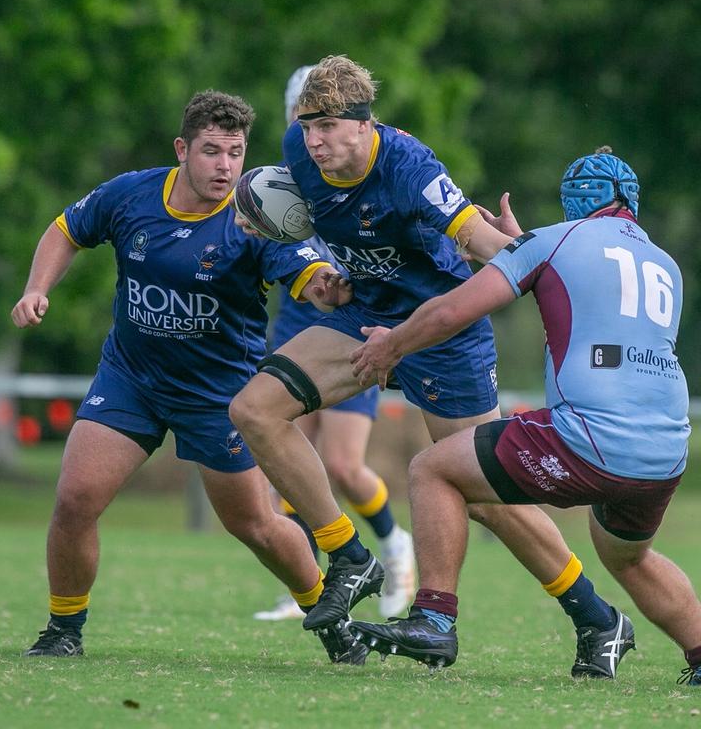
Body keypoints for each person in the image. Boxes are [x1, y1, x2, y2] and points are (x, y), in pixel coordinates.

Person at [230, 57, 607, 661]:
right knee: (255, 409)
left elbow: (482, 243)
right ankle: (350, 555)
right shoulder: (298, 153)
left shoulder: (410, 167)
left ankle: (597, 616)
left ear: (363, 124)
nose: (314, 141)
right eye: (306, 127)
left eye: (327, 127)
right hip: (361, 320)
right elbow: (295, 219)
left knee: (486, 498)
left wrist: (523, 250)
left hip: (442, 334)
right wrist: (290, 250)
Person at [11, 89, 365, 664]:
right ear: (182, 149)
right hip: (131, 379)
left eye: (235, 152)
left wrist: (330, 285)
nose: (225, 166)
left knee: (255, 526)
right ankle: (64, 628)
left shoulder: (256, 219)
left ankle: (328, 612)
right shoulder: (131, 195)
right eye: (210, 151)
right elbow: (65, 230)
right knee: (75, 498)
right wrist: (36, 289)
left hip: (220, 398)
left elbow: (312, 277)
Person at [349, 147, 701, 685]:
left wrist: (392, 345)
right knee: (630, 558)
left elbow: (452, 310)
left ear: (568, 201)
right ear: (628, 201)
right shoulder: (665, 265)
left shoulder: (553, 240)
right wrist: (518, 247)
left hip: (590, 436)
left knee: (433, 469)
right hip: (665, 449)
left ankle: (434, 619)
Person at [253, 66, 414, 623]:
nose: (313, 131)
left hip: (351, 322)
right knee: (290, 454)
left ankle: (395, 548)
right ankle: (313, 579)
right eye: (304, 115)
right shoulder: (287, 170)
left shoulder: (364, 169)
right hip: (297, 318)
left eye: (324, 118)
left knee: (344, 465)